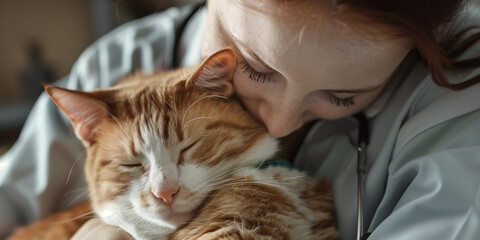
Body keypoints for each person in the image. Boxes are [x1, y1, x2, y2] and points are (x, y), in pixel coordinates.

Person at [1, 0, 479, 239]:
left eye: (341, 95)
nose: (280, 125)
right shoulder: (112, 67)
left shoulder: (457, 108)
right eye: (254, 68)